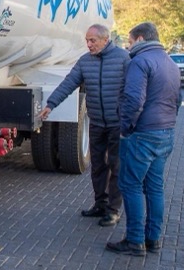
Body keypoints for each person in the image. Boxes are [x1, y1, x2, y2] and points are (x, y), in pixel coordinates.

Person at [39, 24, 130, 227]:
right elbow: (68, 83)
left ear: (105, 40)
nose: (88, 44)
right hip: (96, 122)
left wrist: (129, 118)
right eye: (87, 40)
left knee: (116, 166)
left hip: (117, 124)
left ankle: (113, 210)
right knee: (97, 166)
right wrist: (51, 104)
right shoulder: (85, 61)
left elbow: (133, 89)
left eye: (92, 40)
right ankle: (100, 204)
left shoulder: (123, 59)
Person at [106, 22, 181, 256]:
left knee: (130, 185)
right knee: (155, 187)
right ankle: (153, 238)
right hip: (165, 131)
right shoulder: (170, 63)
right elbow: (177, 99)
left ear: (140, 39)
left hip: (142, 133)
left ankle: (135, 240)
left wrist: (125, 128)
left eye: (129, 42)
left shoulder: (139, 61)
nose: (128, 47)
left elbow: (133, 100)